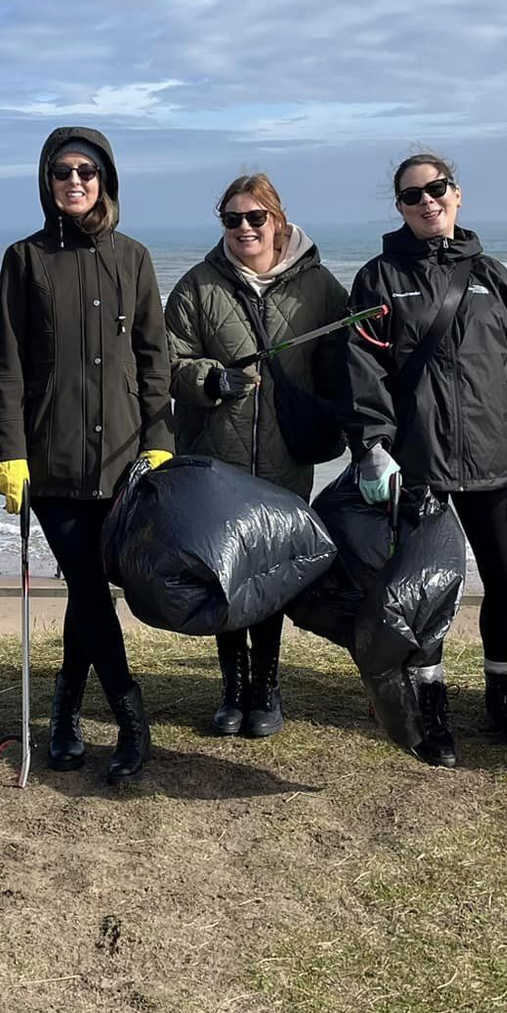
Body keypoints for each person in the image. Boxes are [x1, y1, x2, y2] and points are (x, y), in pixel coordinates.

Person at [343, 148, 507, 767]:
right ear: (400, 208)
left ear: (457, 193)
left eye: (436, 189)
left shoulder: (494, 277)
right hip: (420, 466)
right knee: (432, 594)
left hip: (494, 461)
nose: (427, 202)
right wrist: (373, 449)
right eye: (412, 196)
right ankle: (432, 699)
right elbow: (366, 373)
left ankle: (501, 688)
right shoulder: (378, 279)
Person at [0, 126, 173, 783]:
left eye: (86, 171)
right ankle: (131, 720)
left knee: (89, 593)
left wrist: (160, 441)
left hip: (123, 460)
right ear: (46, 179)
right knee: (92, 591)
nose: (74, 180)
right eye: (62, 170)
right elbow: (4, 365)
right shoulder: (24, 259)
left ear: (105, 180)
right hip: (54, 463)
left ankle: (64, 711)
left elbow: (155, 360)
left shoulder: (133, 259)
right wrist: (7, 451)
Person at [165, 172, 350, 739]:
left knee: (267, 576)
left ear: (278, 218)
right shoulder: (198, 285)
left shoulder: (318, 287)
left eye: (255, 217)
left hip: (283, 460)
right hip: (216, 459)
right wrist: (210, 379)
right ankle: (230, 688)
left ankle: (265, 688)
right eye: (232, 219)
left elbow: (347, 368)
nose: (244, 228)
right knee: (226, 576)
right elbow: (167, 362)